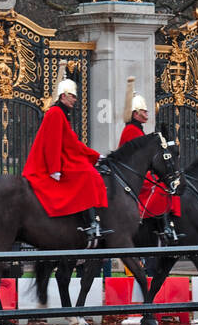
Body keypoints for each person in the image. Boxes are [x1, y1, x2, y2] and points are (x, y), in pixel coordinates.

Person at [22, 77, 109, 243]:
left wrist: (95, 156)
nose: (75, 99)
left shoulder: (61, 114)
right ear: (63, 96)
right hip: (52, 163)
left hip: (64, 158)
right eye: (73, 96)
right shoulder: (55, 113)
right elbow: (52, 143)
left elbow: (72, 142)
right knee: (89, 175)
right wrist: (54, 169)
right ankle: (91, 223)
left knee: (88, 171)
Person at [117, 78, 180, 243]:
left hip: (140, 172)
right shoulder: (131, 130)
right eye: (144, 111)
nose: (147, 114)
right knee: (161, 188)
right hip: (134, 175)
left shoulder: (137, 129)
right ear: (136, 113)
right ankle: (163, 225)